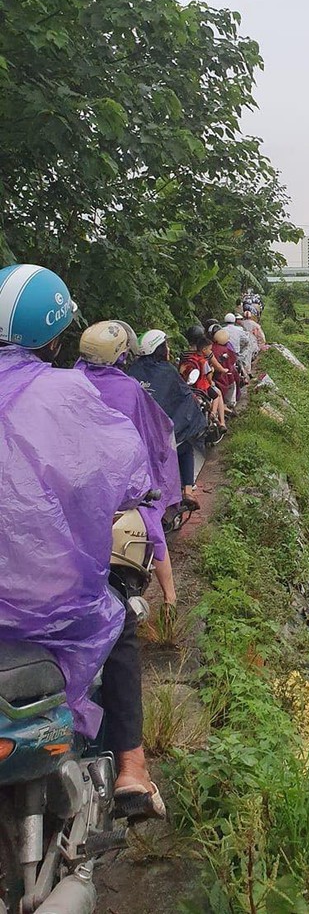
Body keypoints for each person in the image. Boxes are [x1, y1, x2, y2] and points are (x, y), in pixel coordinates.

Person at [0, 265, 164, 819]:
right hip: (48, 599)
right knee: (119, 625)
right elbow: (127, 473)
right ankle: (133, 769)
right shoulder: (66, 392)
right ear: (54, 334)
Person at [75, 320, 180, 609]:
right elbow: (154, 430)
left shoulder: (69, 380)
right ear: (121, 355)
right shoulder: (129, 388)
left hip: (76, 479)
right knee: (152, 524)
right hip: (120, 481)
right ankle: (170, 600)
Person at [128, 329, 206, 504]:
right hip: (160, 436)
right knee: (187, 445)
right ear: (160, 349)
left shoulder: (131, 371)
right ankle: (187, 491)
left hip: (135, 434)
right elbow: (184, 398)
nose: (168, 349)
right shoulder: (167, 371)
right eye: (166, 346)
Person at [179, 329, 227, 432]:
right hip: (202, 385)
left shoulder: (184, 354)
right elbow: (215, 368)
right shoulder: (205, 356)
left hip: (187, 385)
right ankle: (219, 420)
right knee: (217, 393)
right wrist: (222, 371)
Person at [209, 325, 240, 408]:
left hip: (215, 376)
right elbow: (233, 360)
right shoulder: (228, 349)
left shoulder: (210, 348)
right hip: (226, 375)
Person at [222, 311, 252, 376]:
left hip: (224, 353)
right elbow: (246, 340)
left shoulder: (222, 330)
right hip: (236, 353)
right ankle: (246, 370)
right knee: (248, 347)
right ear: (234, 320)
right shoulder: (239, 329)